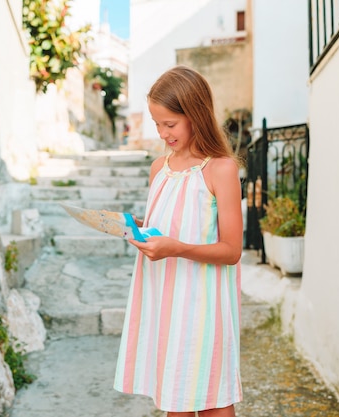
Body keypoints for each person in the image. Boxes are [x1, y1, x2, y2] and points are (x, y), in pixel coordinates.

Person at [113, 65, 243, 417]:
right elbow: (171, 222)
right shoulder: (160, 168)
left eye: (169, 124)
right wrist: (139, 227)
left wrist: (176, 248)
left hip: (203, 305)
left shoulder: (221, 169)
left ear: (196, 115)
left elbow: (231, 251)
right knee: (176, 399)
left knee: (214, 397)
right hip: (165, 300)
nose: (162, 133)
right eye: (157, 124)